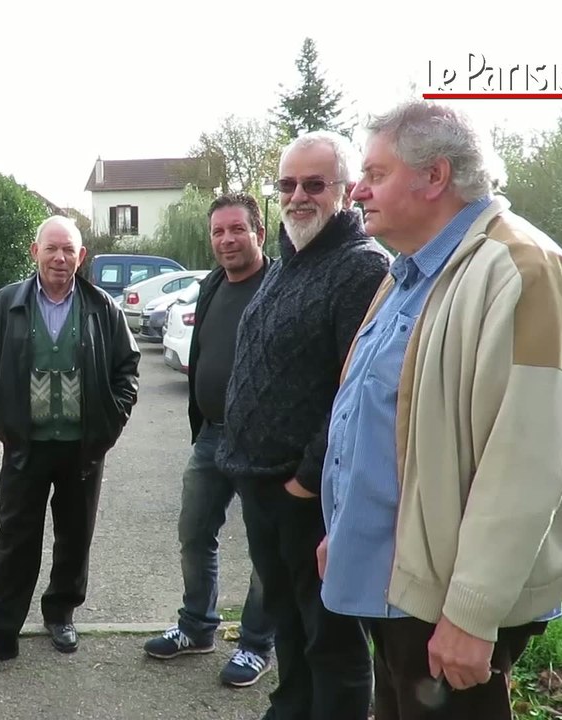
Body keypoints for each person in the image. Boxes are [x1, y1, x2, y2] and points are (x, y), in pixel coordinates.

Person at [317, 99, 562, 720]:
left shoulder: (524, 271)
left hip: (447, 605)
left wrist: (472, 615)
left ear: (435, 176)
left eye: (376, 173)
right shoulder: (408, 273)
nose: (357, 189)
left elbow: (525, 464)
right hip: (393, 583)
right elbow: (374, 416)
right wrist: (344, 530)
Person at [216, 131, 391, 720]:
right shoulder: (292, 258)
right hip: (261, 483)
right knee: (288, 623)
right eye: (288, 184)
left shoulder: (361, 268)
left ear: (345, 191)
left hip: (308, 493)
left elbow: (357, 393)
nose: (297, 196)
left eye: (314, 184)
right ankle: (291, 707)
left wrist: (305, 484)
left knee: (331, 637)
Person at [0, 215, 141, 673]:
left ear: (81, 258)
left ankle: (61, 613)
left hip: (83, 447)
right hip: (26, 444)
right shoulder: (7, 304)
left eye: (69, 251)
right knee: (16, 538)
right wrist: (2, 415)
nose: (60, 258)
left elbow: (128, 368)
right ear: (35, 251)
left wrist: (110, 423)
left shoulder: (102, 307)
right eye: (51, 249)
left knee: (75, 535)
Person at [142, 192, 276, 688]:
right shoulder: (215, 282)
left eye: (237, 230)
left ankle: (258, 644)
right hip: (212, 436)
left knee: (266, 549)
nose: (226, 240)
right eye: (218, 232)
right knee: (195, 534)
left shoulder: (279, 283)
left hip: (264, 443)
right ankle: (197, 626)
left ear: (259, 233)